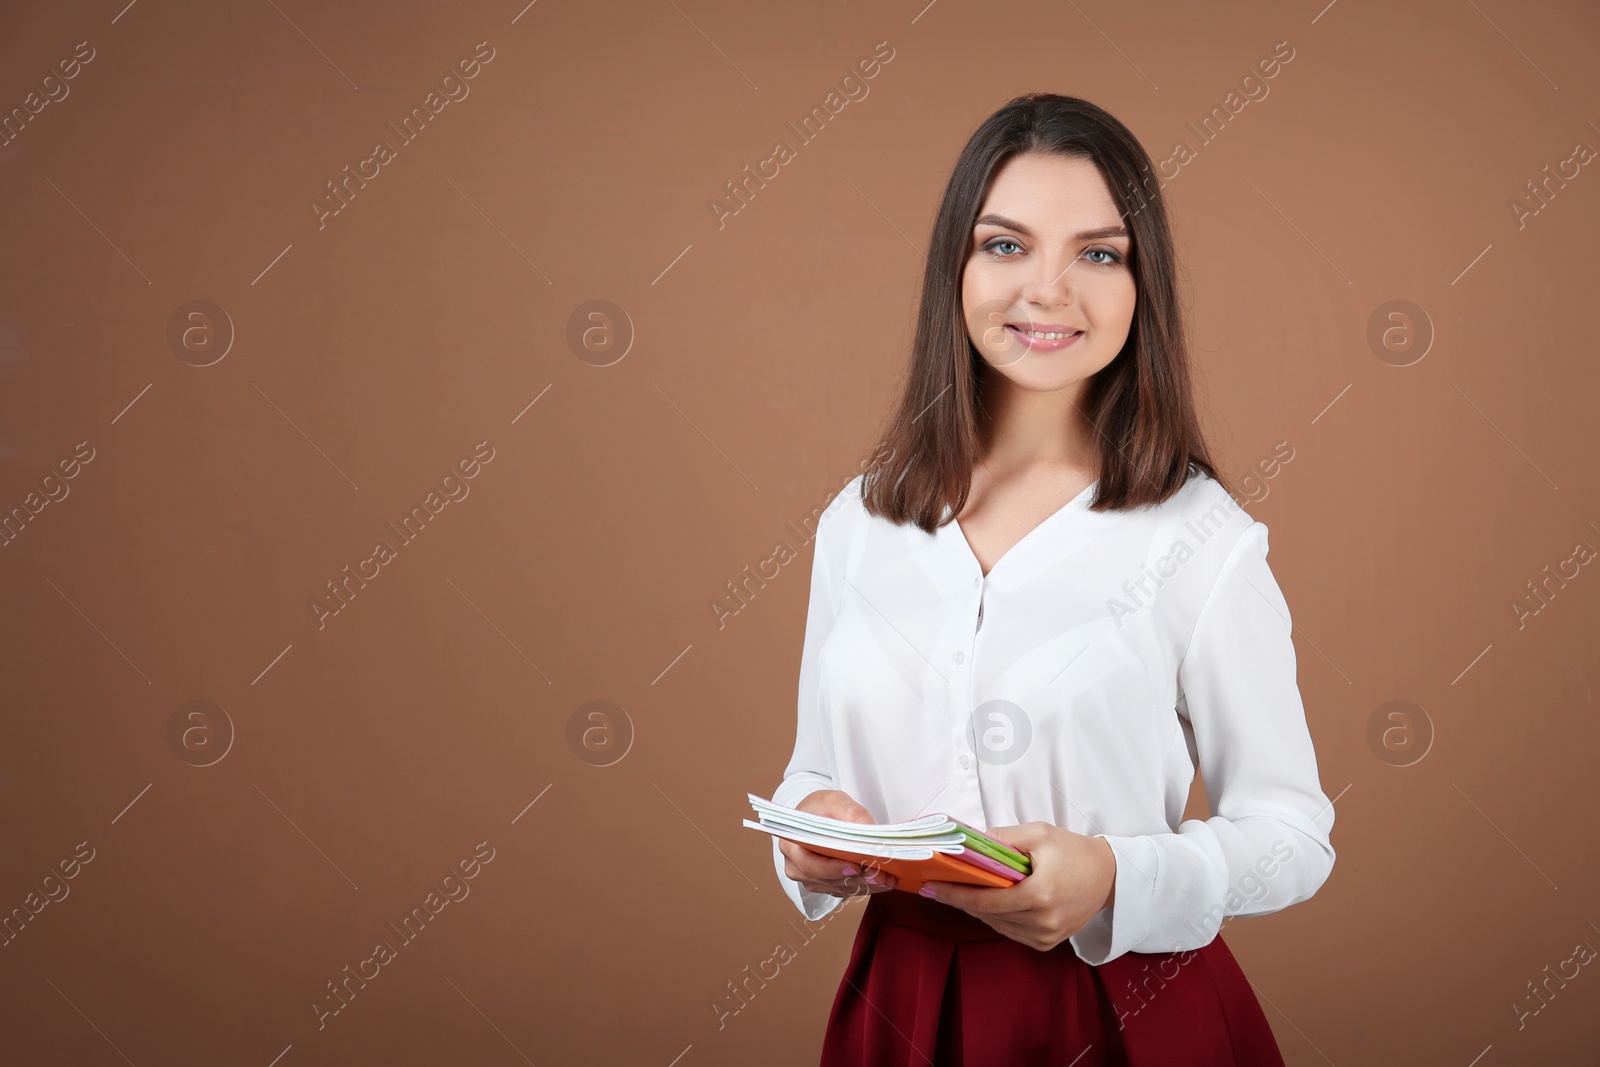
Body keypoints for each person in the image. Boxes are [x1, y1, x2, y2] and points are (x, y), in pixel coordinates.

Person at [767, 93, 1336, 1066]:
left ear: (1141, 282)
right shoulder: (859, 520)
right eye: (1006, 245)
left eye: (1098, 252)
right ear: (955, 264)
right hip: (900, 1006)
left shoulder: (1201, 537)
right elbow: (815, 771)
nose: (1048, 288)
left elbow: (1292, 834)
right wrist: (808, 832)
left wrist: (1118, 874)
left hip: (1123, 1008)